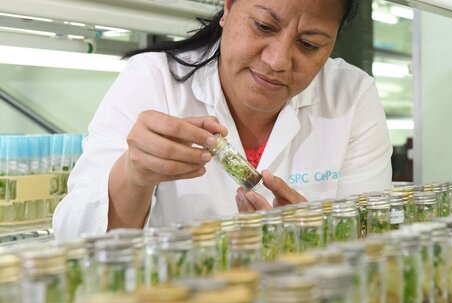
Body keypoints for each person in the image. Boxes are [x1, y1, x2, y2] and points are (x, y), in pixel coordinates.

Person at [53, 0, 393, 240]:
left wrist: (312, 236)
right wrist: (133, 175)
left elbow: (375, 242)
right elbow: (75, 239)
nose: (277, 60)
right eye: (263, 26)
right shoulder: (152, 81)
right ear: (229, 8)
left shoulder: (352, 96)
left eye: (308, 44)